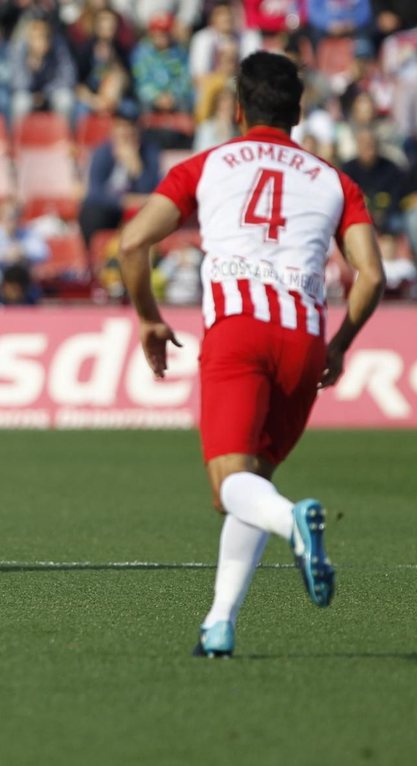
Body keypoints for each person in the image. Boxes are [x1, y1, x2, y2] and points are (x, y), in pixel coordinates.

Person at [119, 51, 382, 658]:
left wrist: (150, 319)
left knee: (229, 486)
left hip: (238, 329)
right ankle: (219, 623)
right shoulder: (334, 181)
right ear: (299, 111)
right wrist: (340, 346)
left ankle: (294, 522)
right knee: (253, 481)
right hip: (303, 334)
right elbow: (371, 275)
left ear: (238, 109)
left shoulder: (209, 164)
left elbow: (133, 243)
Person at [80, 111, 161, 246]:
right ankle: (93, 258)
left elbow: (154, 190)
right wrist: (123, 201)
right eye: (121, 127)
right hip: (110, 209)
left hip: (139, 211)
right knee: (90, 211)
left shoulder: (150, 153)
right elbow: (94, 193)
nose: (126, 133)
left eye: (131, 128)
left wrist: (137, 168)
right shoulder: (102, 152)